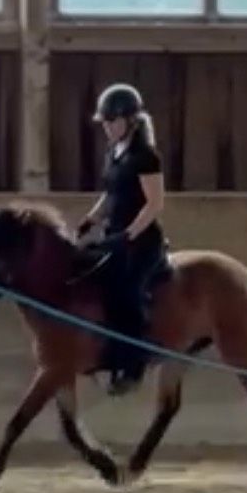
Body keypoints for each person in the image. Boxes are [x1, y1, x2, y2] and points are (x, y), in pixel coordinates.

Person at [76, 83, 168, 395]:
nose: (106, 128)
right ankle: (106, 354)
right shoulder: (114, 153)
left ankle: (134, 365)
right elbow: (112, 194)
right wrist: (91, 219)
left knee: (127, 293)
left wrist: (128, 235)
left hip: (141, 242)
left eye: (110, 121)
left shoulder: (145, 156)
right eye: (103, 122)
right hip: (115, 236)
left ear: (129, 121)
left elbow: (155, 203)